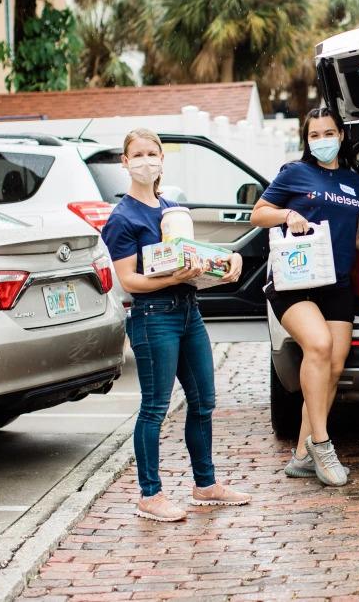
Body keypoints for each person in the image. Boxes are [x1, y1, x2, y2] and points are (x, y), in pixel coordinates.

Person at [102, 128, 251, 522]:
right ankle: (150, 495)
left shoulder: (171, 210)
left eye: (153, 153)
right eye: (138, 154)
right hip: (153, 318)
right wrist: (176, 278)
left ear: (162, 160)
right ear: (125, 161)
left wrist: (225, 262)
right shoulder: (121, 219)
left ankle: (205, 485)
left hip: (188, 312)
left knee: (204, 401)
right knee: (155, 408)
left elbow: (189, 258)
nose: (146, 160)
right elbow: (130, 281)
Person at [250, 107, 359, 487]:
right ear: (307, 140)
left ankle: (302, 457)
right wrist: (287, 213)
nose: (322, 140)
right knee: (318, 346)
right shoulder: (294, 173)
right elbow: (258, 214)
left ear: (341, 135)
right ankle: (322, 446)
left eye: (328, 133)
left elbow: (355, 238)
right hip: (294, 283)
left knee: (333, 368)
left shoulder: (354, 181)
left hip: (335, 284)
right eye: (315, 134)